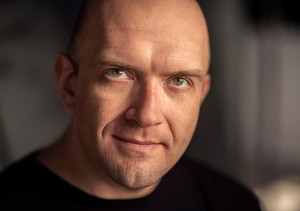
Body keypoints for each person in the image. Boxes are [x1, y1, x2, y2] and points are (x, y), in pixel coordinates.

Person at [0, 0, 261, 210]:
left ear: (201, 95)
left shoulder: (234, 203)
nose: (147, 115)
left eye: (179, 81)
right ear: (69, 84)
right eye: (117, 73)